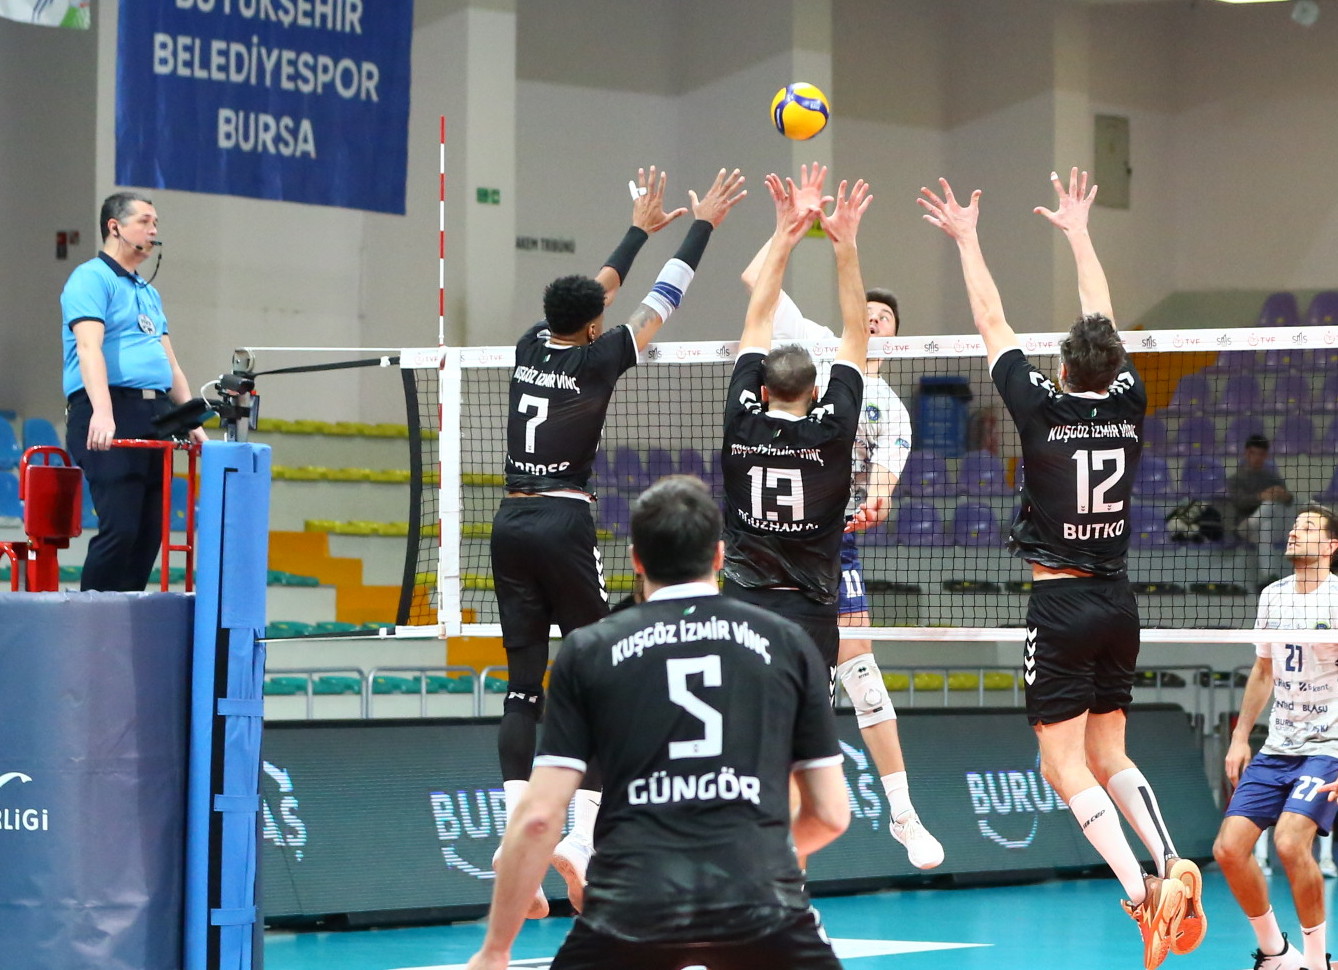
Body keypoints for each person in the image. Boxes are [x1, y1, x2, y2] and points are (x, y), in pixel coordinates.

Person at [919, 168, 1203, 970]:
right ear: (1110, 368)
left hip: (1062, 606)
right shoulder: (1130, 402)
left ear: (1064, 368)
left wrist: (967, 238)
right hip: (1118, 600)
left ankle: (1143, 895)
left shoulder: (1040, 408)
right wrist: (1080, 233)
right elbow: (1100, 316)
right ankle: (1169, 858)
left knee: (1060, 764)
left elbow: (990, 317)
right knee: (1112, 753)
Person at [489, 166, 745, 918]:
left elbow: (593, 294)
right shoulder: (600, 358)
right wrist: (701, 225)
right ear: (594, 326)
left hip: (508, 524)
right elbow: (664, 296)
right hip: (564, 523)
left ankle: (514, 835)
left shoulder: (529, 346)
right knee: (599, 678)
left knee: (522, 685)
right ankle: (580, 838)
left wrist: (637, 227)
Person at [468, 476, 849, 970]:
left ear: (637, 560)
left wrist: (496, 949)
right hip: (758, 901)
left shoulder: (590, 649)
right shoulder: (786, 642)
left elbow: (539, 817)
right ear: (719, 556)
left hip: (632, 902)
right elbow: (830, 814)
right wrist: (756, 860)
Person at [737, 165, 942, 870]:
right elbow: (755, 277)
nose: (873, 321)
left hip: (833, 545)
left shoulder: (895, 414)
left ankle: (904, 814)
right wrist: (795, 225)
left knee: (862, 672)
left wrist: (876, 497)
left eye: (886, 319)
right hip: (770, 541)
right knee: (790, 690)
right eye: (868, 314)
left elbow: (883, 479)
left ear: (898, 340)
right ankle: (771, 837)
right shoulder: (823, 346)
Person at [718, 169, 868, 724]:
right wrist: (844, 244)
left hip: (743, 604)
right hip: (810, 611)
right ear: (817, 393)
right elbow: (857, 333)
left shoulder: (741, 421)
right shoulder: (833, 430)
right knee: (806, 737)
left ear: (761, 391)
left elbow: (758, 318)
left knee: (742, 727)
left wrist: (785, 232)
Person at [61, 191, 207, 592]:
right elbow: (89, 347)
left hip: (155, 415)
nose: (153, 229)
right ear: (115, 227)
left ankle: (126, 619)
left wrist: (192, 421)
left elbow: (170, 366)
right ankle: (91, 618)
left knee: (149, 533)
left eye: (155, 222)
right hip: (109, 411)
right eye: (144, 221)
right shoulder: (91, 278)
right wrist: (102, 411)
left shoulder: (147, 292)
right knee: (121, 528)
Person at [1216, 505, 1338, 970]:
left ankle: (1316, 962)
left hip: (1328, 747)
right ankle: (1275, 953)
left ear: (1331, 546)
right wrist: (1240, 737)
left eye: (1307, 528)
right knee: (1229, 850)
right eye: (1294, 526)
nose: (1293, 532)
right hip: (1278, 746)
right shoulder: (1273, 595)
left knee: (1289, 843)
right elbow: (1264, 670)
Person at [1228, 433, 1294, 587]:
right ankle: (1270, 577)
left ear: (1266, 455)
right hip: (1247, 529)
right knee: (1268, 513)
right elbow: (1239, 502)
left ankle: (1268, 578)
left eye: (1261, 454)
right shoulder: (1235, 479)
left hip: (1267, 528)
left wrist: (1284, 496)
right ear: (1247, 453)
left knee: (1268, 523)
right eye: (1253, 453)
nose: (1257, 458)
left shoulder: (1272, 478)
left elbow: (1289, 500)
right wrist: (1261, 496)